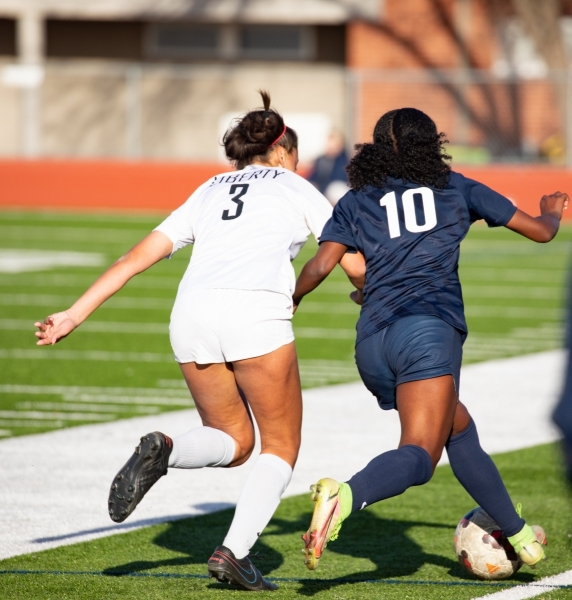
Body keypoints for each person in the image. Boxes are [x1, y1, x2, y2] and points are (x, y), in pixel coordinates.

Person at [34, 91, 360, 591]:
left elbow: (133, 258)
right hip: (254, 314)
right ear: (280, 152)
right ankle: (234, 553)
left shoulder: (209, 188)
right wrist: (373, 293)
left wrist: (73, 314)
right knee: (281, 447)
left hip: (191, 315)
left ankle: (166, 449)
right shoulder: (296, 187)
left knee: (236, 442)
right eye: (293, 156)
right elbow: (349, 260)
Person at [292, 107, 566, 571]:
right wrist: (551, 212)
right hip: (427, 332)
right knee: (420, 455)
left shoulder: (357, 199)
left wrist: (292, 299)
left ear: (377, 150)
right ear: (432, 145)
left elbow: (320, 266)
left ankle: (521, 538)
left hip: (373, 345)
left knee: (457, 427)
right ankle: (347, 495)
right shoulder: (456, 187)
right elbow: (540, 234)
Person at [307, 131, 350, 206]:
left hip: (335, 188)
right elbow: (313, 177)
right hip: (322, 188)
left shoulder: (343, 159)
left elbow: (339, 178)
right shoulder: (321, 159)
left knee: (336, 190)